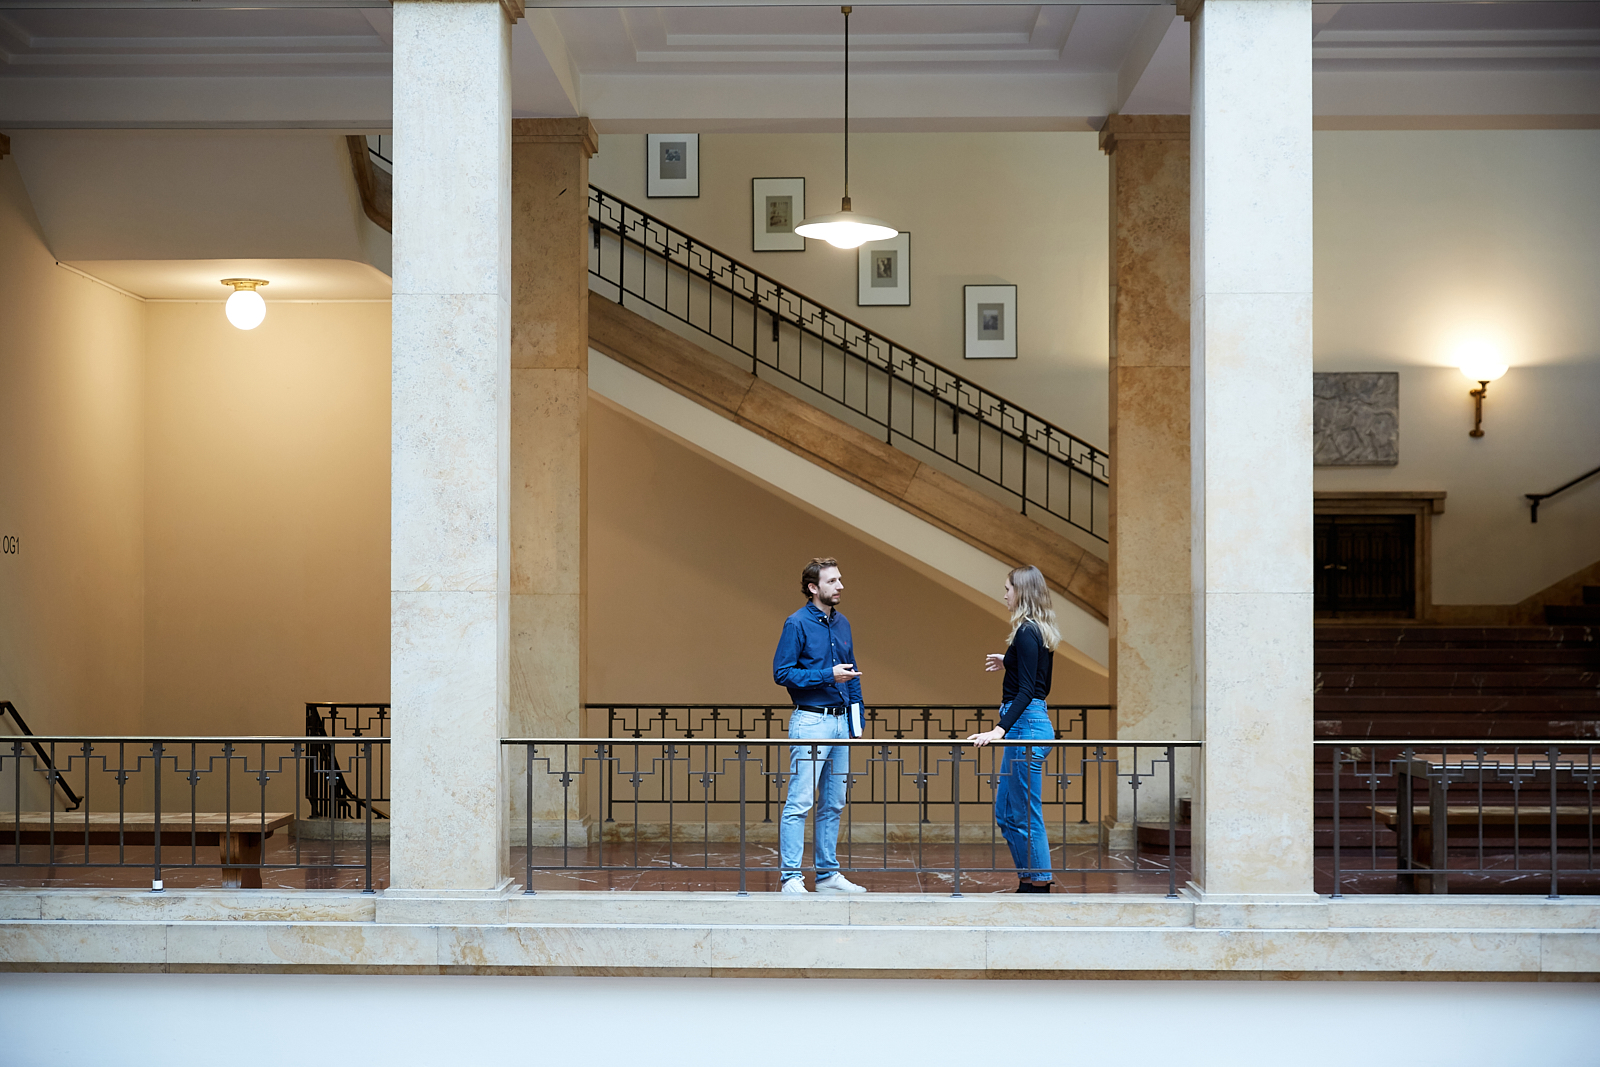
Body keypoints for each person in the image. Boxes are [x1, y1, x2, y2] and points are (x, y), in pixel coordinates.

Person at [771, 557, 868, 894]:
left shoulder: (843, 625)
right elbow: (782, 673)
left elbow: (853, 675)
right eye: (831, 581)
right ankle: (791, 877)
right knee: (800, 802)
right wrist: (828, 675)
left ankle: (827, 876)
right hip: (811, 721)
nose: (839, 586)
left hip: (842, 724)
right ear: (813, 588)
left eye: (840, 579)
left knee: (834, 802)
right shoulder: (796, 624)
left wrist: (857, 724)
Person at [968, 565, 1060, 893]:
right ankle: (1030, 877)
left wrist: (998, 729)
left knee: (1023, 812)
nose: (1004, 594)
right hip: (1028, 725)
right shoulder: (1036, 631)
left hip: (1026, 727)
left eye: (1007, 588)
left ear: (1020, 592)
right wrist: (1008, 661)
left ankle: (1038, 881)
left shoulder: (1027, 631)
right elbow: (1038, 678)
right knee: (1008, 812)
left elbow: (1030, 690)